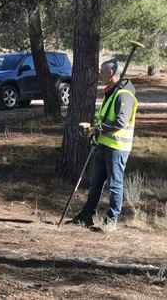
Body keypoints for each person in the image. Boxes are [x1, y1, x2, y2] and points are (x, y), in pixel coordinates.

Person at [71, 59, 138, 233]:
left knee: (115, 184)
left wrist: (96, 129)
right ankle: (87, 216)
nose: (99, 75)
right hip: (103, 144)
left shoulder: (124, 94)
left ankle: (111, 220)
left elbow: (121, 122)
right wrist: (96, 133)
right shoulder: (112, 92)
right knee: (96, 183)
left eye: (102, 72)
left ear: (110, 73)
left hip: (117, 147)